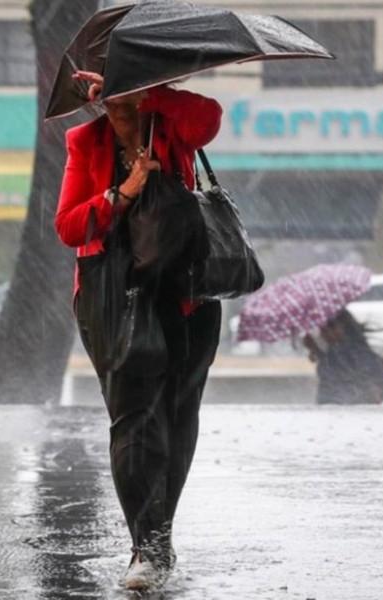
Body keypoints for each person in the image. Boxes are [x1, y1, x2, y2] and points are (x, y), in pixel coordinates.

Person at [55, 70, 222, 591]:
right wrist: (122, 194)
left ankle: (159, 535)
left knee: (177, 417)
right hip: (114, 298)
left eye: (126, 90)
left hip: (188, 294)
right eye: (110, 96)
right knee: (133, 422)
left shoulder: (172, 126)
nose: (118, 106)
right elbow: (67, 225)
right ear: (96, 98)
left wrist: (149, 91)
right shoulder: (85, 141)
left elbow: (210, 117)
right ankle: (145, 549)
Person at [301, 309, 383, 405]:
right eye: (322, 328)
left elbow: (382, 380)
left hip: (350, 408)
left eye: (331, 326)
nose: (326, 331)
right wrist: (315, 349)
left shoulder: (357, 352)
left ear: (344, 326)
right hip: (333, 408)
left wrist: (373, 390)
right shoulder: (330, 354)